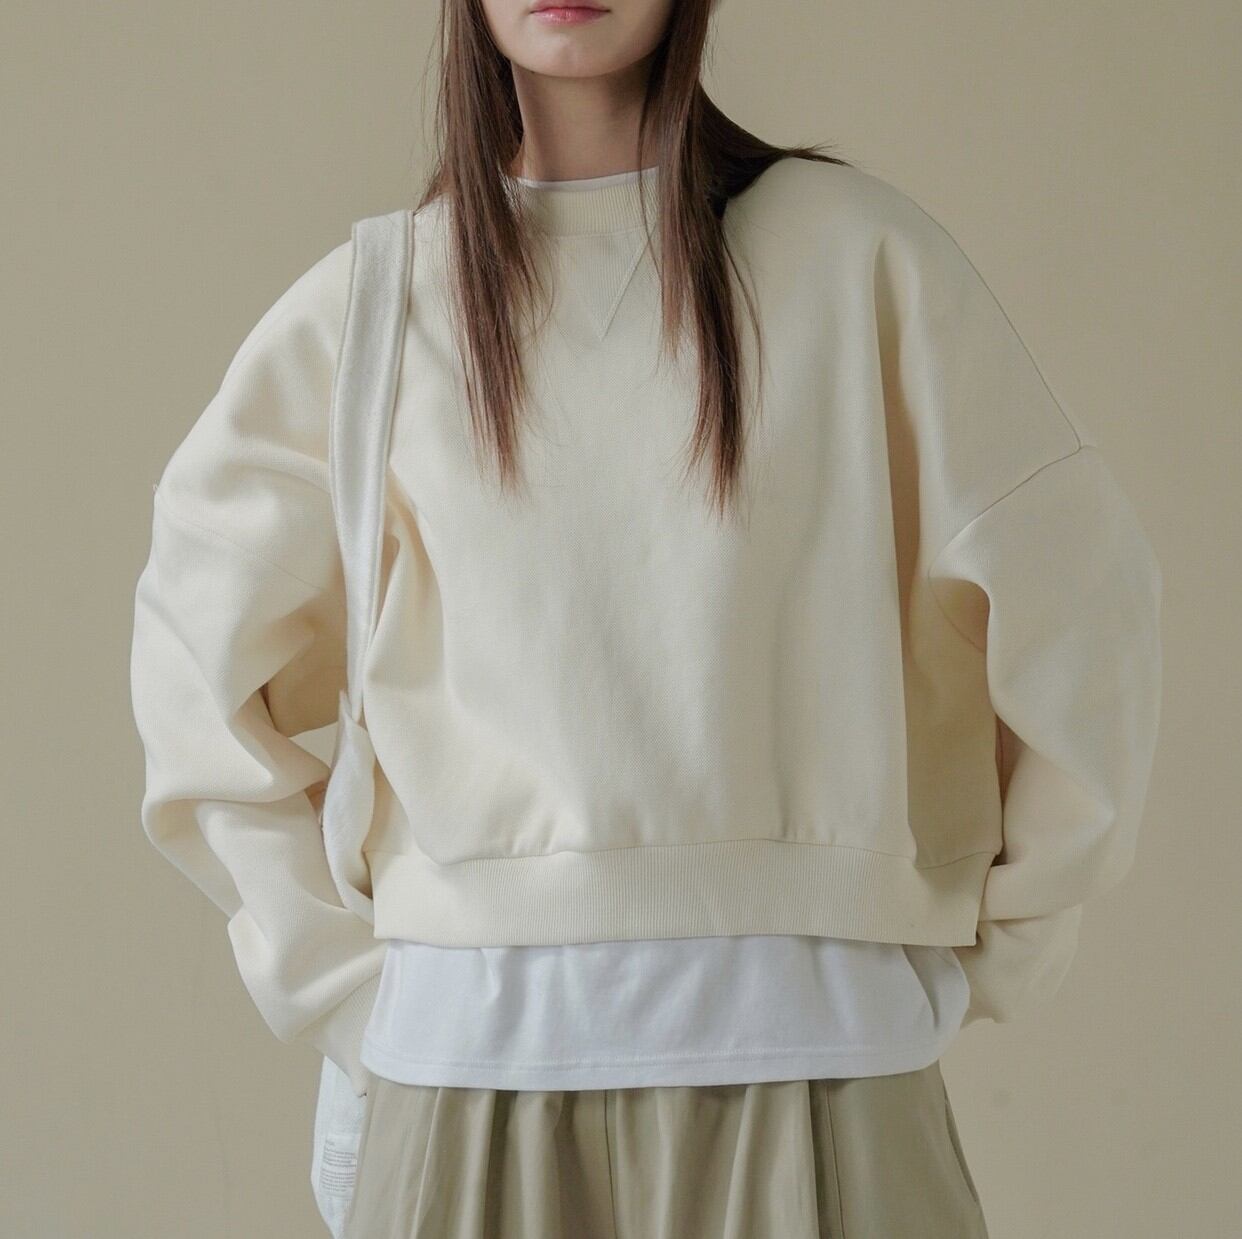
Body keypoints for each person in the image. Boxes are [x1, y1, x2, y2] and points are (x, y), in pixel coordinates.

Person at [128, 0, 1163, 1235]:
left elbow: (1083, 604)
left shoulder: (860, 260)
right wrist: (346, 994)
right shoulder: (376, 309)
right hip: (469, 1087)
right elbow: (193, 677)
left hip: (821, 1074)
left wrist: (994, 949)